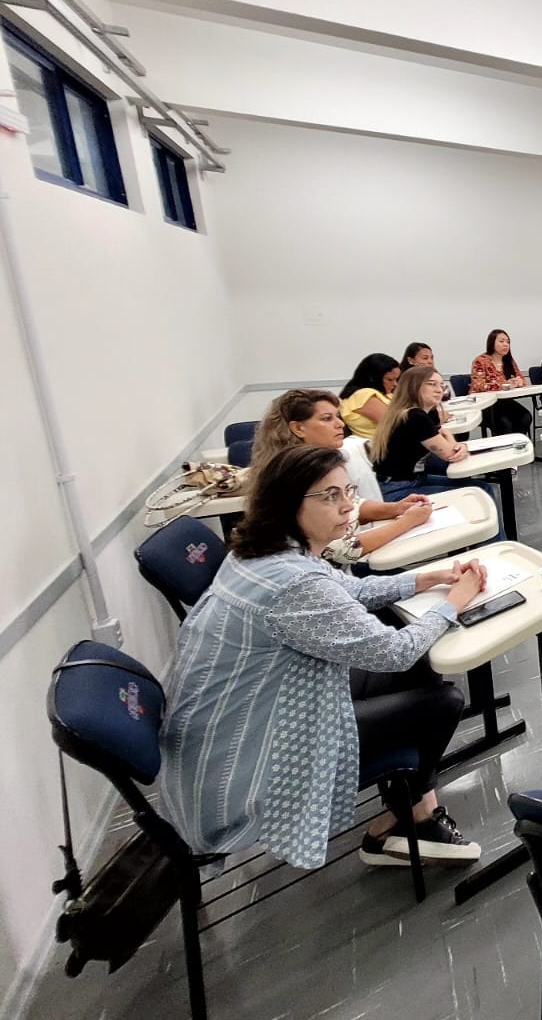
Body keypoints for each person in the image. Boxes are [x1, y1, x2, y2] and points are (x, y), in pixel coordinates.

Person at [160, 444, 485, 871]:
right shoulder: (293, 582)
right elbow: (395, 651)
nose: (348, 505)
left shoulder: (265, 550)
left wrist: (427, 578)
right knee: (443, 701)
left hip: (251, 715)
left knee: (425, 669)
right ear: (287, 503)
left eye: (347, 491)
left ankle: (413, 812)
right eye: (330, 496)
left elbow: (351, 590)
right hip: (250, 761)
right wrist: (454, 602)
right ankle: (408, 821)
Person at [252, 388, 435, 564]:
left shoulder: (323, 463)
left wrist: (395, 508)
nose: (340, 424)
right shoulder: (295, 476)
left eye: (337, 416)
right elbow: (346, 550)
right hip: (336, 573)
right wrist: (409, 521)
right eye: (327, 419)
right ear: (298, 428)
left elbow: (353, 505)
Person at [371, 365, 473, 502]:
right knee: (481, 491)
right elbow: (451, 454)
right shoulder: (415, 416)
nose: (439, 390)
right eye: (432, 384)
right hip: (398, 489)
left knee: (474, 487)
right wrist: (458, 443)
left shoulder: (425, 413)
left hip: (413, 480)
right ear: (414, 386)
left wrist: (456, 445)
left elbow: (450, 448)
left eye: (441, 385)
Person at [470, 329, 534, 437]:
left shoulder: (509, 361)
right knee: (504, 423)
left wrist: (518, 382)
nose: (505, 344)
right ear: (492, 343)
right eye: (501, 341)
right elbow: (479, 386)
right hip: (485, 404)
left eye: (508, 342)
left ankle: (515, 443)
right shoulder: (481, 361)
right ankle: (505, 446)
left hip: (503, 402)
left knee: (525, 417)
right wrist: (505, 385)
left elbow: (522, 379)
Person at [339, 353, 399, 440]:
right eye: (389, 379)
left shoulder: (386, 394)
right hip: (382, 444)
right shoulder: (363, 395)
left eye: (396, 379)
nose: (395, 384)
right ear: (372, 378)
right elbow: (395, 424)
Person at [401, 342, 454, 406]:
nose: (430, 361)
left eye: (431, 358)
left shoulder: (433, 375)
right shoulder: (404, 378)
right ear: (411, 360)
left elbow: (446, 394)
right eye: (425, 358)